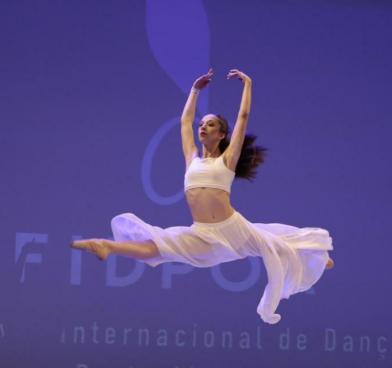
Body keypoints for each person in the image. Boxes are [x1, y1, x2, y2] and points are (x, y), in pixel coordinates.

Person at [70, 68, 334, 324]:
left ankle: (317, 257)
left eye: (210, 125)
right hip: (202, 233)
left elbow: (242, 118)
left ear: (221, 135)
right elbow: (185, 122)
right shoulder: (191, 159)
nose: (203, 127)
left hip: (232, 227)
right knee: (157, 247)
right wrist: (195, 90)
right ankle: (106, 245)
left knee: (273, 241)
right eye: (203, 124)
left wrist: (247, 85)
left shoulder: (227, 160)